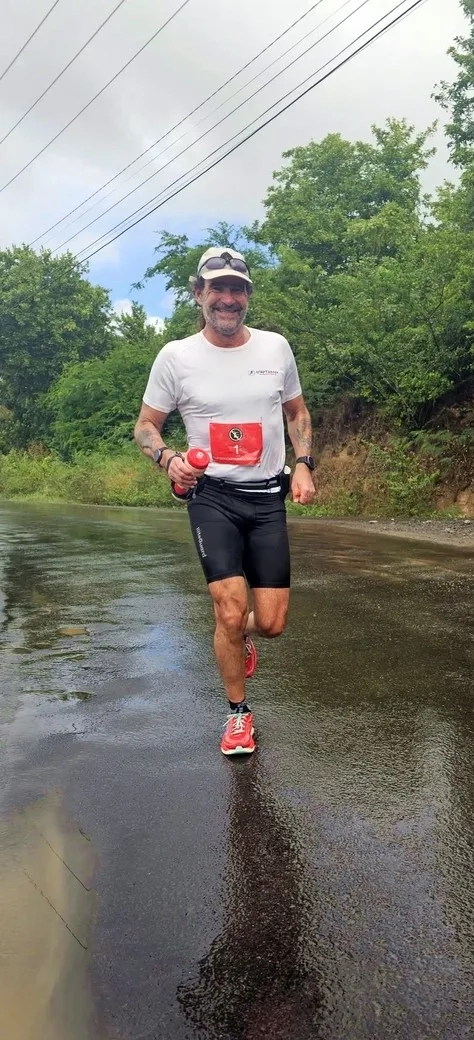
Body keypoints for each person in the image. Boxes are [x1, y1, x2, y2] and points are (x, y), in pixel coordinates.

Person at [134, 247, 315, 756]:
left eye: (238, 289)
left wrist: (304, 463)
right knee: (228, 611)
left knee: (272, 621)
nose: (228, 298)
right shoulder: (176, 356)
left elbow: (297, 413)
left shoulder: (276, 349)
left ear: (248, 297)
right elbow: (146, 426)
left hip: (266, 498)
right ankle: (238, 714)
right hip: (210, 496)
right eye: (218, 288)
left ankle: (243, 638)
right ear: (199, 294)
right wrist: (167, 459)